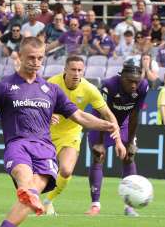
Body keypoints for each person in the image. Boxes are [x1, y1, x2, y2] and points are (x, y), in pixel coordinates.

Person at [0, 37, 119, 227]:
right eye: (31, 57)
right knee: (26, 182)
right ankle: (28, 192)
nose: (36, 62)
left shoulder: (51, 90)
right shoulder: (4, 86)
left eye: (40, 58)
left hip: (45, 150)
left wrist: (108, 125)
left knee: (30, 195)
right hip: (18, 144)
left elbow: (80, 116)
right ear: (20, 57)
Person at [42, 56, 126, 215]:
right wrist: (47, 114)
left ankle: (48, 201)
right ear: (65, 70)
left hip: (70, 133)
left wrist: (119, 141)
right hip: (45, 132)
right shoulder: (52, 84)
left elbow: (108, 115)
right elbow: (37, 105)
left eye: (80, 70)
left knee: (66, 170)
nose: (76, 73)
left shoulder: (89, 89)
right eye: (73, 69)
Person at [86, 62, 149, 217]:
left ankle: (130, 207)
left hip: (124, 124)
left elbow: (135, 115)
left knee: (129, 157)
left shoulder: (143, 86)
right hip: (102, 123)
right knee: (98, 156)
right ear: (122, 77)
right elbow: (102, 113)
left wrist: (130, 142)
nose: (134, 85)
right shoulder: (109, 86)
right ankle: (95, 205)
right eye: (130, 81)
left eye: (137, 81)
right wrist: (100, 142)